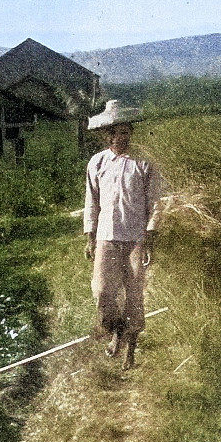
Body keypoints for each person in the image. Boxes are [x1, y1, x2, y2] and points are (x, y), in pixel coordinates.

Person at [84, 119, 163, 369]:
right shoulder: (97, 163)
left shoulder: (144, 163)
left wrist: (149, 238)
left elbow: (155, 204)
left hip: (136, 238)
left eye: (126, 133)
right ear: (108, 136)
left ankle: (131, 349)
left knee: (134, 296)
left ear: (131, 134)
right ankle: (116, 331)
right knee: (101, 291)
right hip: (106, 236)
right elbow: (91, 202)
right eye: (116, 133)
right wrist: (90, 237)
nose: (121, 138)